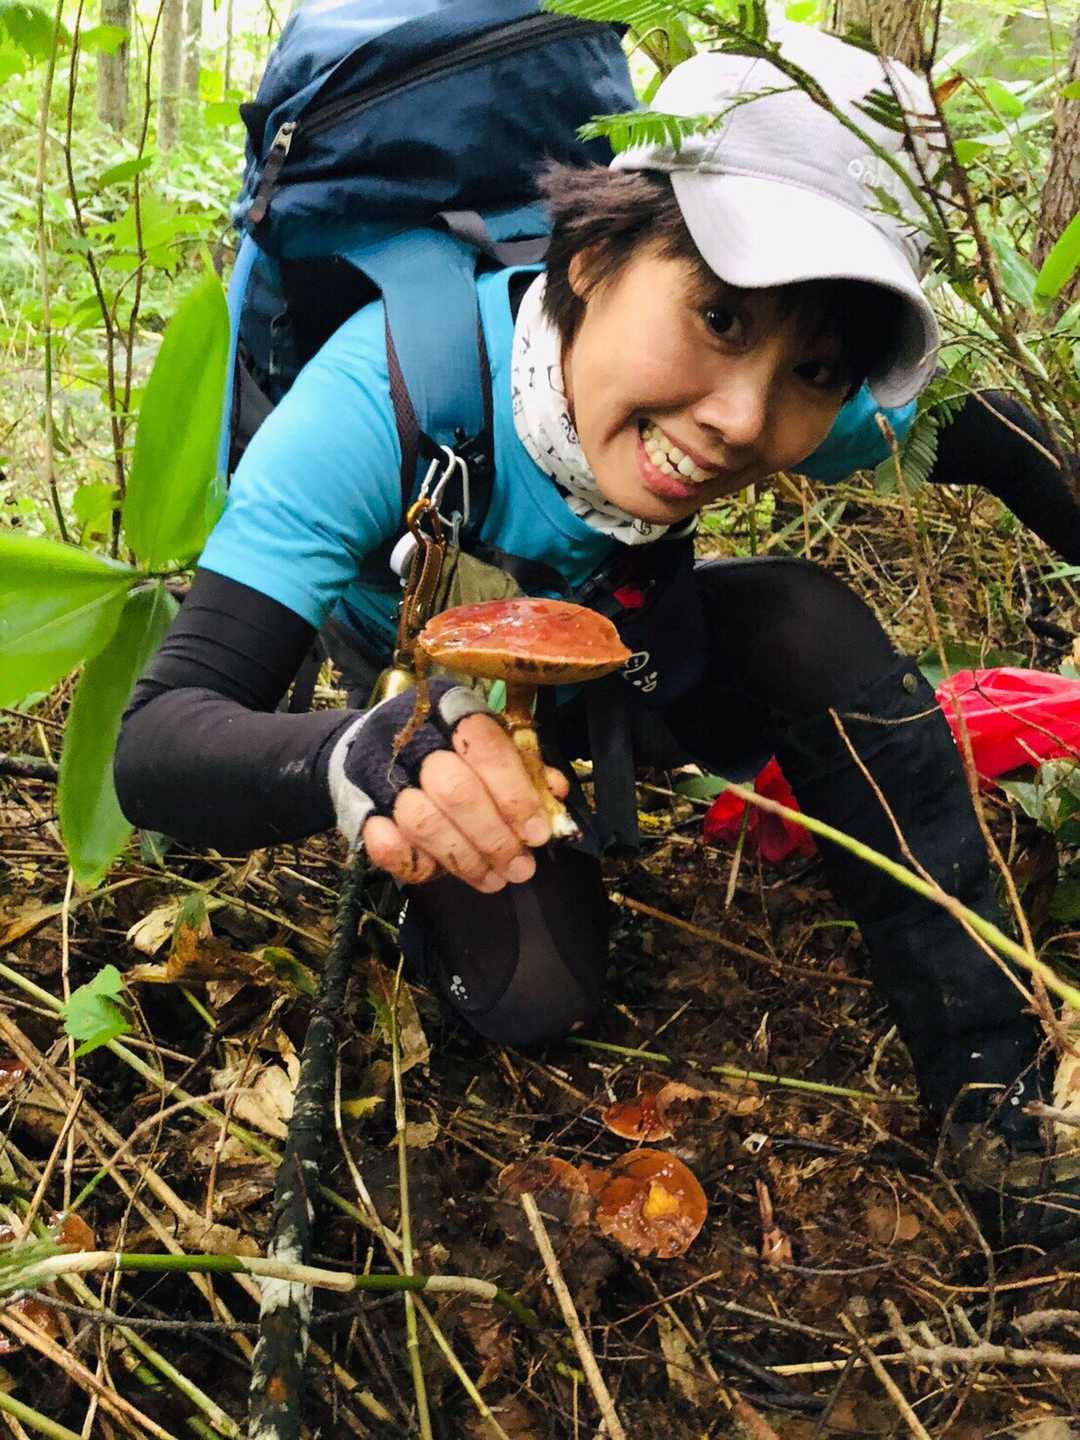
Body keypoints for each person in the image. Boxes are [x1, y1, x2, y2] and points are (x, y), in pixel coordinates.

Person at [115, 22, 1078, 1244]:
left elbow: (993, 438)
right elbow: (160, 739)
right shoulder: (382, 396)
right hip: (444, 722)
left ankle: (996, 1092)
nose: (743, 419)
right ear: (590, 256)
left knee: (804, 618)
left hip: (628, 661)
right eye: (720, 316)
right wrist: (362, 757)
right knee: (535, 990)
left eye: (816, 371)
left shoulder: (769, 397)